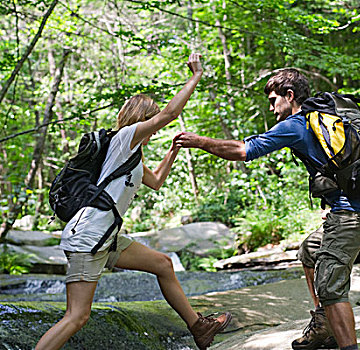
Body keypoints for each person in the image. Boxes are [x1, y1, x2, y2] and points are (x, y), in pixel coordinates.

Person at [174, 68, 360, 350]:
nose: (273, 108)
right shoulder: (327, 117)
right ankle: (324, 326)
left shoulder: (296, 125)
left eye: (274, 100)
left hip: (352, 214)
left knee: (331, 287)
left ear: (290, 96)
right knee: (310, 250)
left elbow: (243, 151)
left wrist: (199, 142)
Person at [35, 53, 231, 350]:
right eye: (151, 118)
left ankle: (199, 328)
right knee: (77, 316)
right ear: (142, 118)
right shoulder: (125, 137)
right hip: (89, 237)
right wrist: (195, 77)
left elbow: (156, 182)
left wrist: (173, 150)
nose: (157, 124)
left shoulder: (131, 155)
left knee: (163, 265)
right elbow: (169, 115)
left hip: (106, 237)